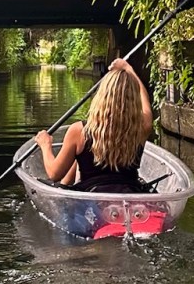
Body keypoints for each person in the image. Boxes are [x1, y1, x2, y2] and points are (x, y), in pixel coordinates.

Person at [33, 58, 154, 192]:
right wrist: (129, 69)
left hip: (91, 200)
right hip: (130, 194)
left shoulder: (79, 131)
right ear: (134, 98)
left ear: (102, 94)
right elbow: (145, 101)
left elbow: (54, 174)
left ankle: (64, 186)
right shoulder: (142, 126)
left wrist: (45, 145)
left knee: (79, 152)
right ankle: (65, 184)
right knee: (78, 155)